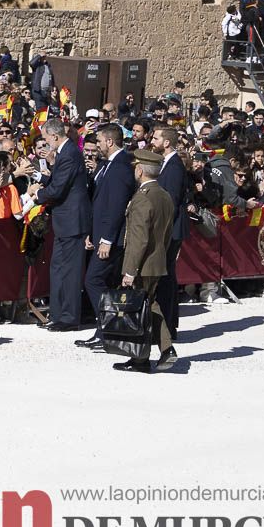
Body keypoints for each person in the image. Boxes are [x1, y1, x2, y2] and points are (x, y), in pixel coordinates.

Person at [113, 150, 178, 373]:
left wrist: (130, 270)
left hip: (141, 264)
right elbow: (167, 233)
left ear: (139, 170)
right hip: (157, 260)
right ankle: (159, 351)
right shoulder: (164, 195)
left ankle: (144, 357)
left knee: (140, 309)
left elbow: (138, 239)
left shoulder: (143, 197)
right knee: (149, 305)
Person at [27, 119, 91, 331]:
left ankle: (69, 317)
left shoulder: (69, 154)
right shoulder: (66, 153)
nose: (45, 143)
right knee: (58, 268)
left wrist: (35, 197)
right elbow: (56, 181)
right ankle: (57, 313)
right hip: (65, 220)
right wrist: (39, 180)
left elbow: (58, 189)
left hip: (72, 221)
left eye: (45, 138)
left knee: (70, 271)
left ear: (55, 136)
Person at [78, 123, 135, 349]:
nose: (97, 145)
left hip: (111, 239)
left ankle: (109, 328)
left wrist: (107, 239)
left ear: (110, 141)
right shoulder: (106, 165)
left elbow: (116, 206)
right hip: (100, 234)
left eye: (100, 141)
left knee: (93, 281)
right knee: (101, 282)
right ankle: (105, 330)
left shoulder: (121, 167)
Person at [151, 126, 190, 338]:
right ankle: (167, 323)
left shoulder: (174, 166)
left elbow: (171, 201)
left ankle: (167, 325)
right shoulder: (166, 163)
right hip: (169, 227)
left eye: (156, 138)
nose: (152, 140)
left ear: (167, 142)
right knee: (166, 275)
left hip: (171, 228)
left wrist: (160, 228)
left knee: (165, 276)